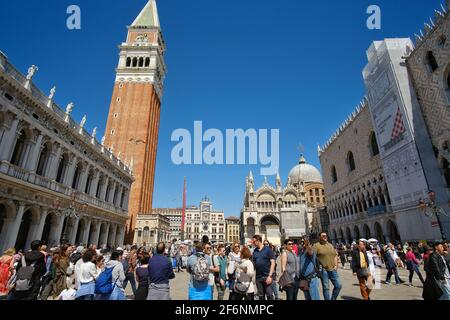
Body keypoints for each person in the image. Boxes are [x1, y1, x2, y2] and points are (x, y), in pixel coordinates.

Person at [313, 232, 342, 300]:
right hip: (324, 270)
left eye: (326, 235)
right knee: (326, 288)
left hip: (333, 269)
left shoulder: (330, 245)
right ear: (319, 237)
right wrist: (316, 269)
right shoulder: (316, 246)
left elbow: (335, 255)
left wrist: (336, 266)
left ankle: (333, 298)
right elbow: (313, 258)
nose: (325, 237)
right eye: (323, 236)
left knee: (338, 286)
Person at [252, 235, 275, 300]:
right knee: (261, 296)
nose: (253, 243)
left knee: (270, 295)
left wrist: (270, 276)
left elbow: (273, 262)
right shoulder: (255, 251)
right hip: (258, 278)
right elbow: (254, 264)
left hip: (267, 276)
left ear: (258, 241)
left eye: (254, 241)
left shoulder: (268, 250)